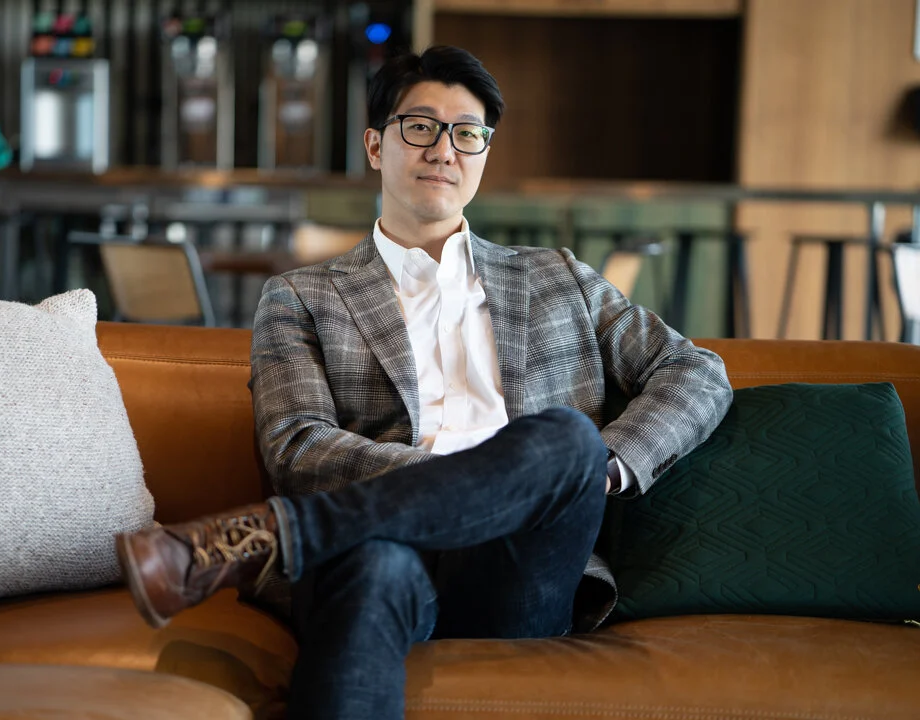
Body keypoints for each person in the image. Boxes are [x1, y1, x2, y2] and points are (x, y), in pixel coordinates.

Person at [114, 45, 733, 720]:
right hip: (384, 554)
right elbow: (295, 446)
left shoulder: (559, 277)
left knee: (566, 441)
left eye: (466, 133)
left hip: (522, 568)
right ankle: (297, 535)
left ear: (483, 156)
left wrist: (599, 470)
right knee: (372, 563)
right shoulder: (300, 297)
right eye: (421, 126)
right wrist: (467, 484)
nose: (444, 148)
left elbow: (695, 370)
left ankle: (269, 536)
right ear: (376, 146)